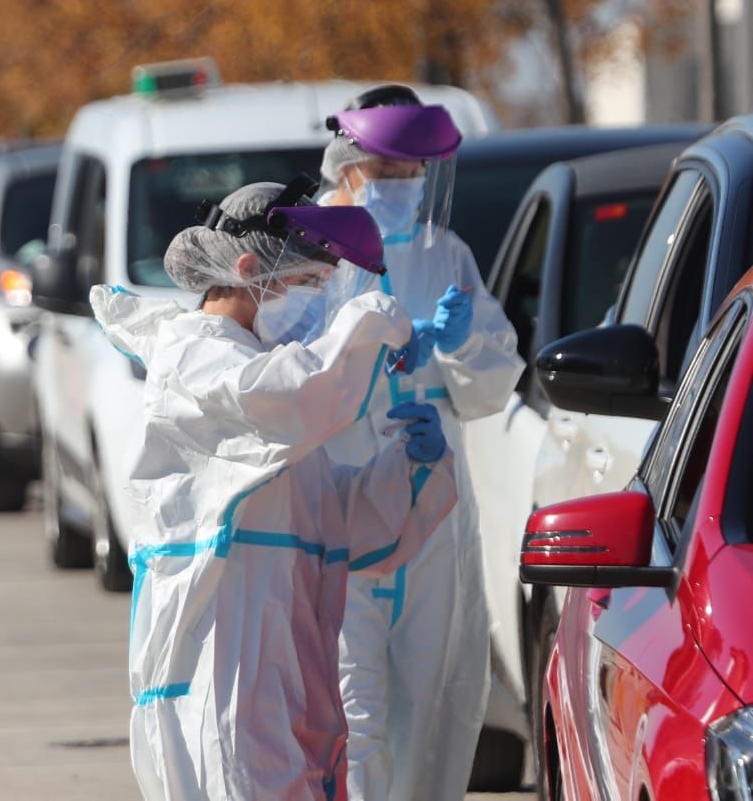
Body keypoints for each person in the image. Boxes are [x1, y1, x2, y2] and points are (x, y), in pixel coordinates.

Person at [91, 179, 459, 801]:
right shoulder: (197, 364)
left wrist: (409, 472)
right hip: (222, 677)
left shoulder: (253, 373)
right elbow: (295, 396)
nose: (317, 303)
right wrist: (374, 321)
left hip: (278, 674)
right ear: (248, 270)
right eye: (309, 283)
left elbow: (331, 528)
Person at [317, 86, 524, 801]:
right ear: (347, 168)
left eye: (412, 176)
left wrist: (461, 339)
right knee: (354, 712)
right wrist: (375, 354)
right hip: (348, 508)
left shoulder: (447, 254)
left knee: (431, 699)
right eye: (386, 173)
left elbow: (495, 381)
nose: (402, 189)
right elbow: (294, 376)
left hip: (433, 516)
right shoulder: (320, 254)